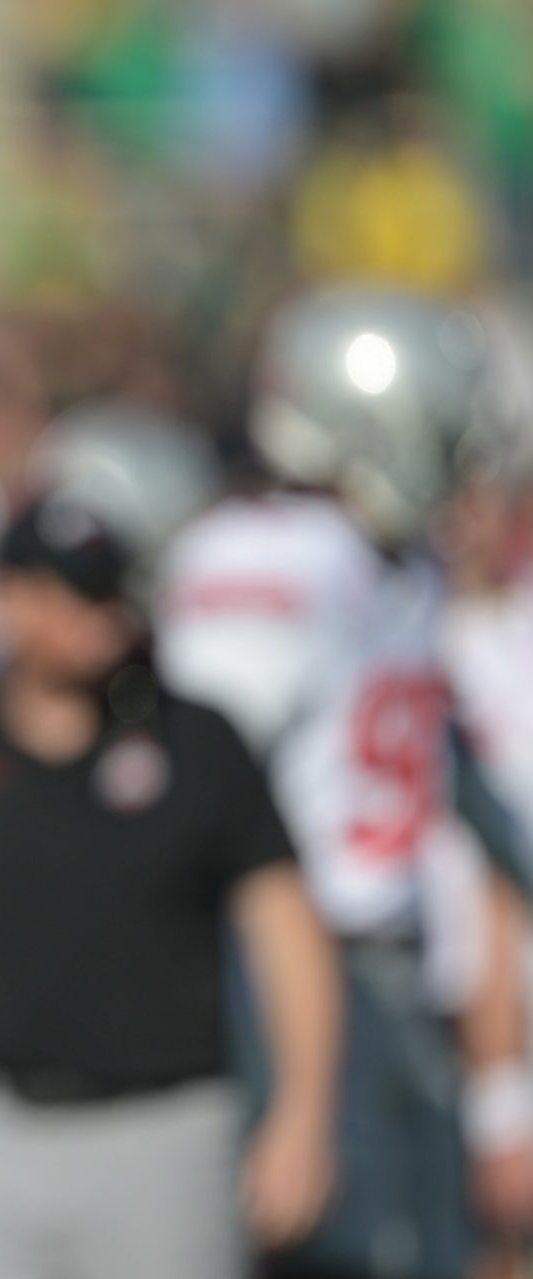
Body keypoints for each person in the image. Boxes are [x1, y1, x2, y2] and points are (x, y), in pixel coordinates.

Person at [158, 286, 533, 1279]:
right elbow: (203, 793)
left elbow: (458, 777)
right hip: (298, 972)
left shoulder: (391, 565)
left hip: (396, 971)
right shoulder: (269, 556)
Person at [0, 495, 340, 1279]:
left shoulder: (196, 741)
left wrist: (304, 1115)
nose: (98, 616)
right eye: (72, 591)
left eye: (106, 590)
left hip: (164, 1134)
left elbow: (287, 929)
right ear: (6, 601)